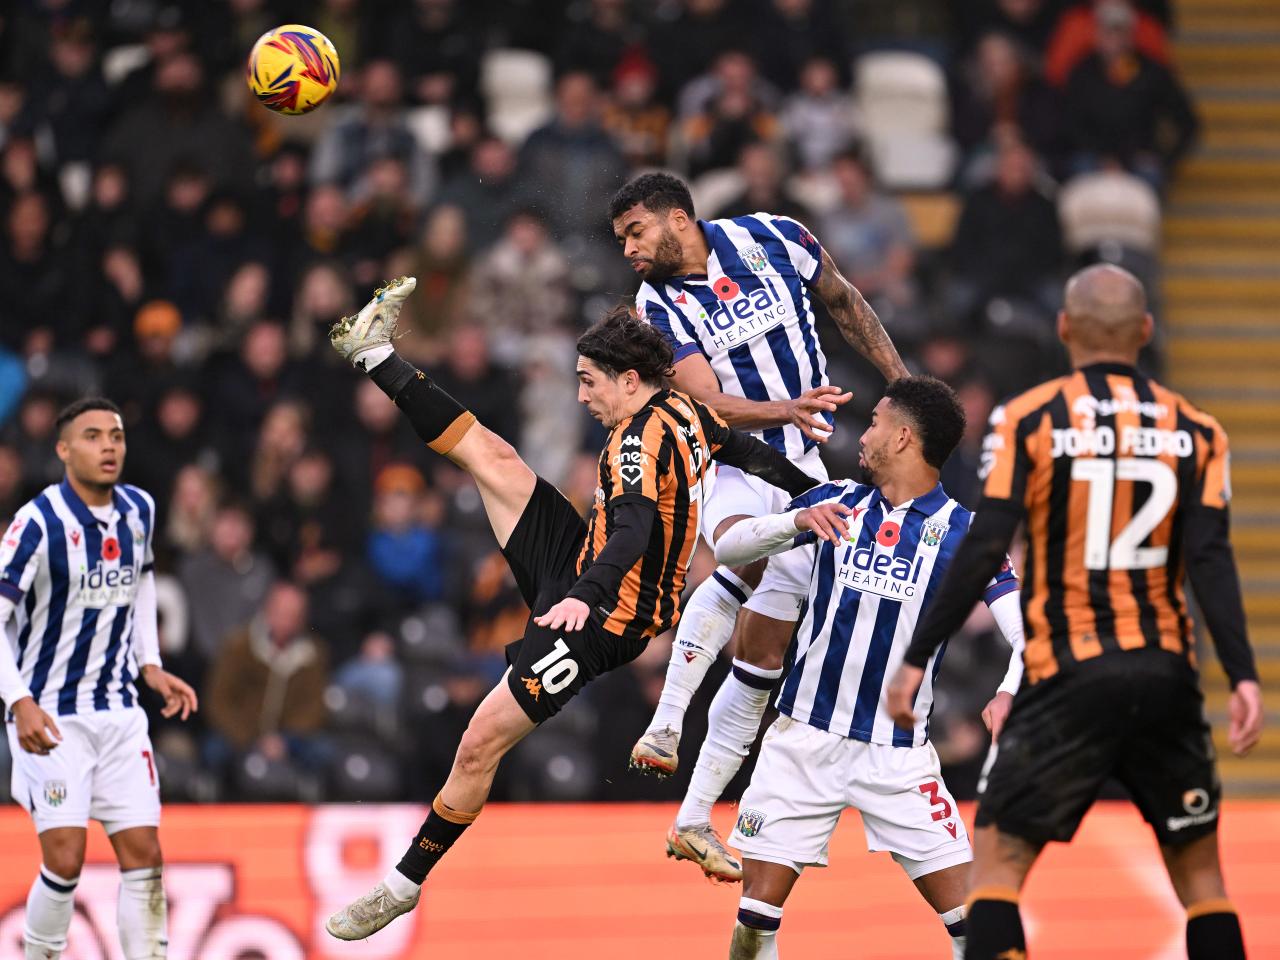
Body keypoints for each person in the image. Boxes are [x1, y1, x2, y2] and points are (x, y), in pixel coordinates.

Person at [322, 279, 823, 941]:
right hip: (580, 563)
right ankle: (373, 353)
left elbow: (633, 531)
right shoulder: (681, 410)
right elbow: (739, 447)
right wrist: (818, 492)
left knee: (478, 746)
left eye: (590, 382)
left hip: (602, 623)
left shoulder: (635, 446)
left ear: (629, 381)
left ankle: (402, 885)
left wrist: (582, 599)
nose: (582, 396)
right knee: (493, 456)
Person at [887, 265, 1265, 960]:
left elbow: (987, 546)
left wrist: (917, 658)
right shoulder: (1199, 431)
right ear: (1145, 331)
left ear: (1064, 329)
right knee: (1203, 880)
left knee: (997, 867)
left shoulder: (1028, 419)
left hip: (1067, 669)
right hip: (1164, 669)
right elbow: (1212, 559)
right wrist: (1242, 674)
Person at [611, 172, 909, 881]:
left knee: (763, 654)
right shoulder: (657, 305)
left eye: (635, 232)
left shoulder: (774, 235)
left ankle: (692, 819)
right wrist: (785, 409)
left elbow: (844, 300)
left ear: (677, 218)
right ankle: (667, 721)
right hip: (727, 458)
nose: (628, 250)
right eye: (621, 239)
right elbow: (706, 402)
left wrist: (902, 383)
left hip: (800, 459)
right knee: (739, 547)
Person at [709, 376, 1023, 960]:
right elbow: (728, 549)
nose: (863, 434)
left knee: (974, 926)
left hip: (897, 757)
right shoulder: (837, 501)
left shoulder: (967, 535)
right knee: (754, 922)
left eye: (875, 422)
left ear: (903, 437)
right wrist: (794, 523)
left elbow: (1026, 632)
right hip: (800, 742)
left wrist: (1008, 689)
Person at [0, 397, 198, 960]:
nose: (108, 446)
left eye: (115, 435)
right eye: (92, 436)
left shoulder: (139, 509)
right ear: (64, 450)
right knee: (65, 859)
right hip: (51, 715)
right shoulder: (37, 523)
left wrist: (149, 662)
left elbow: (142, 582)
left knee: (145, 857)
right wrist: (18, 701)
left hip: (119, 712)